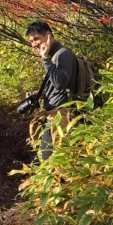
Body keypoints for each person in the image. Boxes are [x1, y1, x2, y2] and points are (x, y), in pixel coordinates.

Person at [25, 20, 78, 159]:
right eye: (31, 41)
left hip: (61, 116)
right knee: (48, 157)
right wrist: (39, 94)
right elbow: (56, 85)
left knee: (52, 159)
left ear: (48, 35)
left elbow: (60, 83)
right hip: (53, 116)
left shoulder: (62, 54)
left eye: (36, 39)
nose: (34, 44)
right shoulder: (54, 55)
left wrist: (45, 58)